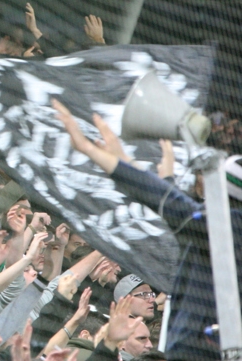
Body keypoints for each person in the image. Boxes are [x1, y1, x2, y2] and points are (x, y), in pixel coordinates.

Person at [55, 100, 242, 361]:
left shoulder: (230, 227)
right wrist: (135, 166)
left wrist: (94, 152)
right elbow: (178, 211)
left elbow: (178, 210)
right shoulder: (212, 230)